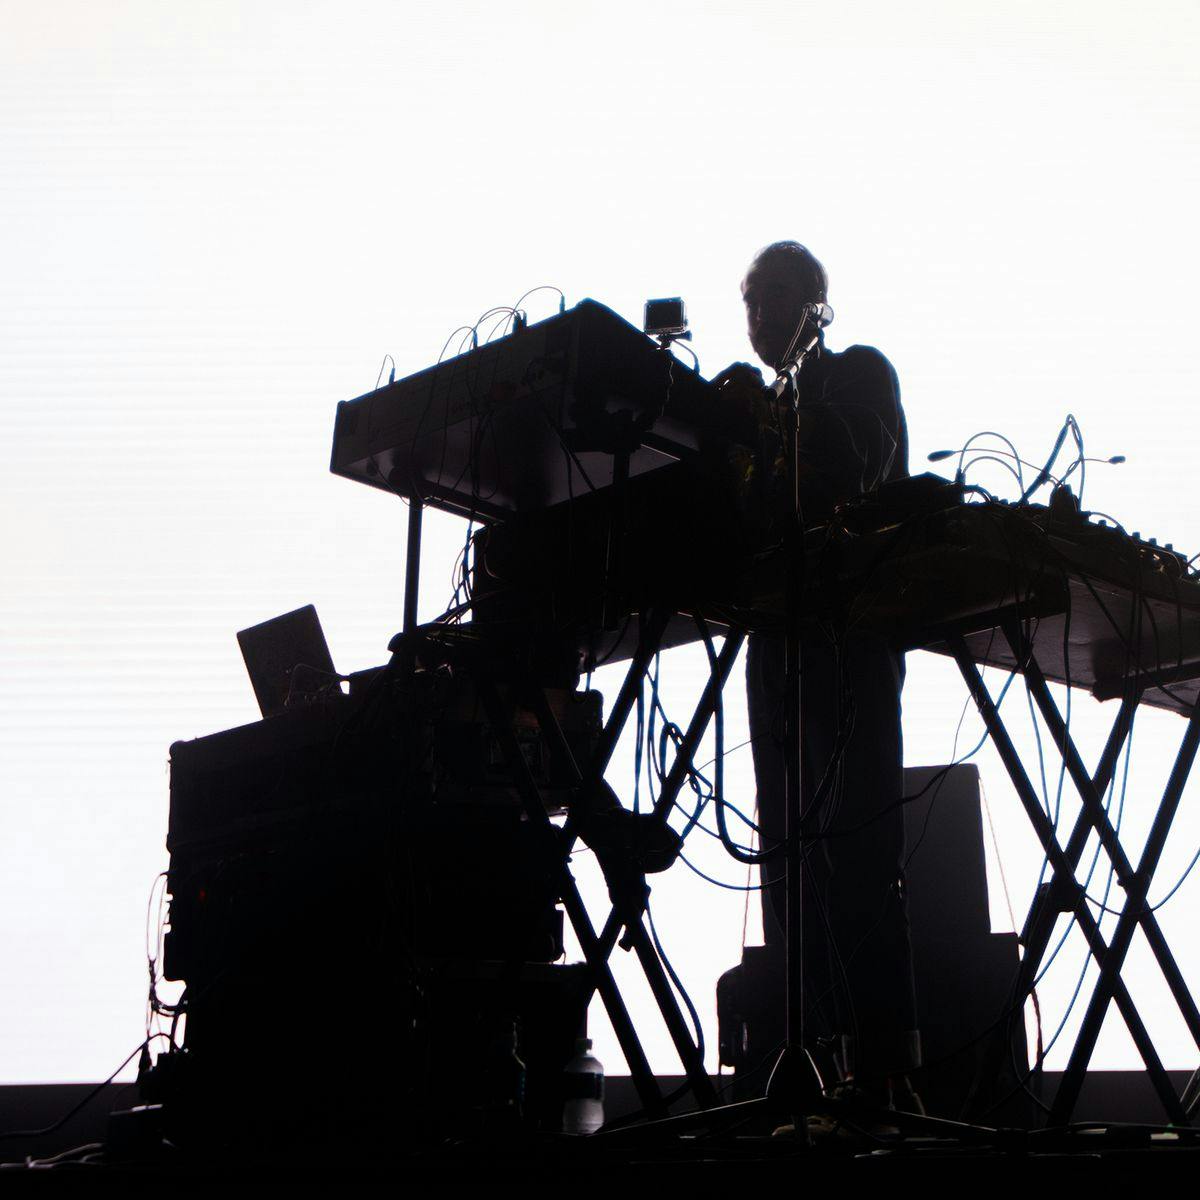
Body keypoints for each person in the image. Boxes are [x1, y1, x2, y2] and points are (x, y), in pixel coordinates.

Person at [715, 241, 920, 1106]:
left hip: (849, 635)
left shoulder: (856, 377)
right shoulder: (767, 409)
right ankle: (808, 1065)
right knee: (785, 858)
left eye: (772, 297)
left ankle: (882, 1073)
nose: (757, 315)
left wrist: (761, 422)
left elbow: (850, 462)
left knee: (861, 846)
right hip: (777, 642)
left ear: (817, 302)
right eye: (748, 302)